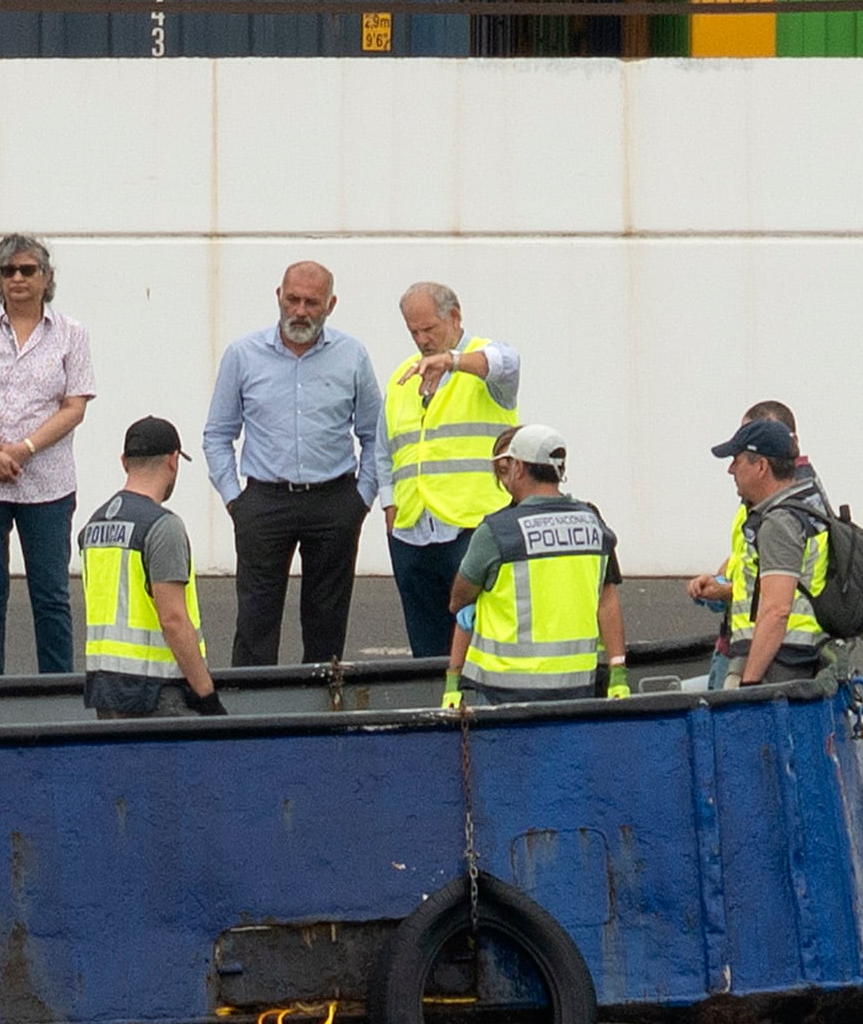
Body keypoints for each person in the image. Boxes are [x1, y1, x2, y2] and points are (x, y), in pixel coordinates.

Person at [201, 260, 385, 667]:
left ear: (331, 305)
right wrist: (236, 500)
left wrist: (362, 498)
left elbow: (374, 435)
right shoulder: (243, 355)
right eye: (293, 299)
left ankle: (321, 715)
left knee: (327, 623)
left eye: (312, 303)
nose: (300, 311)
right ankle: (254, 717)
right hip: (265, 502)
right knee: (255, 622)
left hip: (334, 500)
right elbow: (217, 434)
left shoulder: (352, 356)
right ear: (278, 296)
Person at [0, 233, 95, 677]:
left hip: (46, 483)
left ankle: (56, 688)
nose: (17, 278)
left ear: (46, 278)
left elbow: (75, 406)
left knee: (50, 595)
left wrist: (25, 448)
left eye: (27, 270)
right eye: (8, 271)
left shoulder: (71, 334)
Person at [380, 282, 524, 662]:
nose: (422, 339)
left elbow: (508, 361)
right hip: (413, 530)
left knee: (483, 640)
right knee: (426, 651)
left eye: (429, 329)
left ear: (455, 316)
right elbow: (385, 449)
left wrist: (453, 360)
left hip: (472, 527)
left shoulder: (485, 363)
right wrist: (389, 505)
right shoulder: (402, 378)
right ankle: (436, 713)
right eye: (413, 331)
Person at [441, 423, 627, 709]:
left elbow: (459, 601)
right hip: (577, 687)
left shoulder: (496, 531)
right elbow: (607, 599)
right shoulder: (592, 523)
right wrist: (618, 672)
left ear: (518, 468)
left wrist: (453, 681)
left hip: (502, 692)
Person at [77, 417, 227, 721]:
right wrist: (207, 695)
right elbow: (173, 619)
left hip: (106, 690)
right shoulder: (163, 527)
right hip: (159, 692)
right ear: (173, 461)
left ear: (124, 462)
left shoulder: (93, 526)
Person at [703, 415, 836, 687]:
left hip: (779, 662)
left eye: (737, 461)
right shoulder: (805, 507)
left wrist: (750, 685)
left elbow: (776, 610)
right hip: (796, 657)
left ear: (761, 466)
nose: (730, 470)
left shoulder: (780, 522)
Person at [682, 400, 809, 630]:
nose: (730, 469)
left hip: (773, 643)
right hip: (742, 633)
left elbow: (782, 591)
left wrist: (725, 591)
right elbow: (745, 558)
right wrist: (720, 580)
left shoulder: (788, 512)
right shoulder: (757, 499)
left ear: (762, 465)